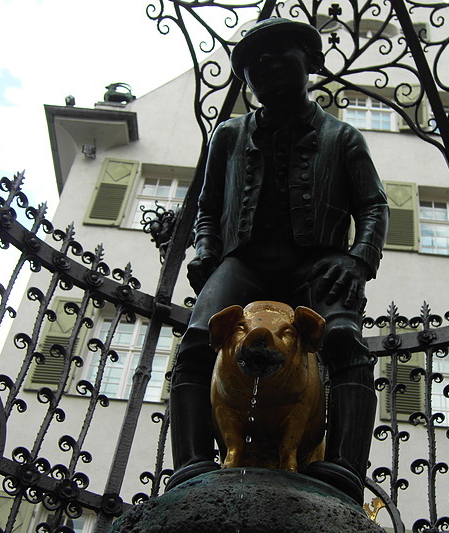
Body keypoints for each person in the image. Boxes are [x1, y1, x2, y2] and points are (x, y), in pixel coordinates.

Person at [167, 17, 389, 504]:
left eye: (278, 50)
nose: (264, 63)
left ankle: (344, 468)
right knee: (199, 339)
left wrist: (357, 261)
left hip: (318, 264)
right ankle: (191, 464)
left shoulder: (343, 137)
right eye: (250, 60)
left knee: (347, 340)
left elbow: (373, 204)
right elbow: (207, 207)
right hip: (245, 262)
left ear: (310, 62)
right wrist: (206, 250)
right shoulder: (228, 135)